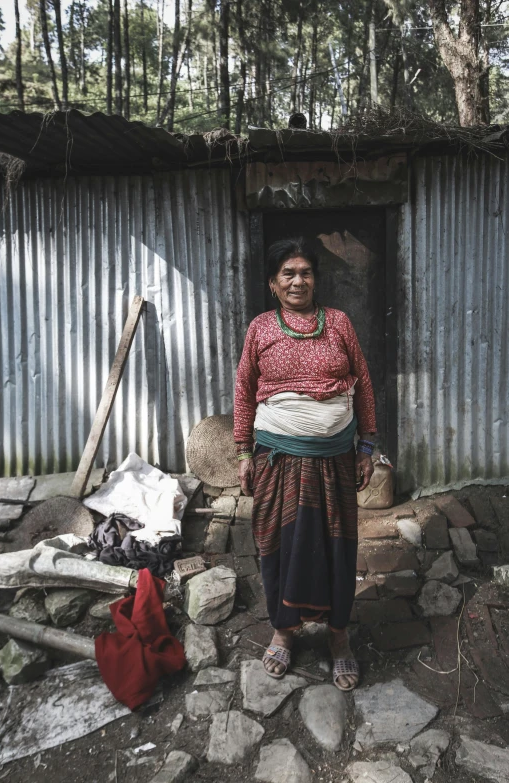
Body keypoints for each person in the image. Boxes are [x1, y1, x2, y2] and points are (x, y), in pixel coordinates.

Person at [233, 237, 376, 691]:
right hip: (277, 459)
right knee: (280, 542)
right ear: (274, 284)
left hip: (334, 459)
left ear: (316, 279)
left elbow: (365, 383)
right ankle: (283, 630)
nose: (298, 281)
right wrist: (242, 451)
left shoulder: (338, 323)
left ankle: (338, 637)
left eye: (306, 272)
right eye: (288, 274)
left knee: (335, 547)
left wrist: (367, 445)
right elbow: (243, 389)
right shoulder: (260, 328)